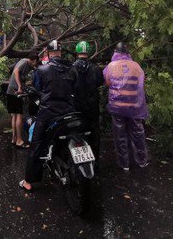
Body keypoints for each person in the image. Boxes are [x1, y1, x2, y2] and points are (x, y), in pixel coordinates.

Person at [20, 40, 77, 192]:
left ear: (47, 53)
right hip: (69, 112)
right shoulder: (72, 69)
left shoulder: (42, 70)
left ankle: (29, 181)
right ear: (61, 52)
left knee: (36, 143)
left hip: (48, 113)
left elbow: (38, 88)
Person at [104, 42, 149, 171]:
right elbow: (141, 84)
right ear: (127, 53)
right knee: (138, 134)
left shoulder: (111, 66)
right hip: (135, 107)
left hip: (117, 107)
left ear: (116, 53)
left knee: (120, 136)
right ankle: (141, 161)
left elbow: (107, 82)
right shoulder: (136, 66)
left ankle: (124, 164)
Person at [72, 41, 104, 160]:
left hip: (76, 107)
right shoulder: (95, 68)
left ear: (77, 52)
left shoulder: (72, 68)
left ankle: (79, 161)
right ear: (88, 52)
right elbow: (100, 82)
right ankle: (95, 161)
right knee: (94, 133)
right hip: (92, 107)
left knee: (77, 133)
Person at [6, 53, 38, 149]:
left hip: (10, 90)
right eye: (36, 62)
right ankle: (19, 140)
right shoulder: (25, 61)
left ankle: (14, 138)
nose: (35, 64)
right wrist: (20, 86)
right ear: (33, 60)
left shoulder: (27, 64)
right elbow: (16, 71)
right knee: (19, 114)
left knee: (14, 115)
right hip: (16, 91)